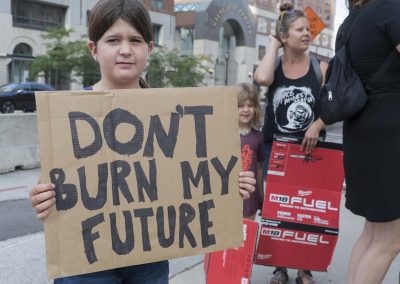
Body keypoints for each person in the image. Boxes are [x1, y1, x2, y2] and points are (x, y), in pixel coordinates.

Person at [28, 0, 256, 283]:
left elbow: (195, 176)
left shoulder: (177, 115)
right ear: (94, 49)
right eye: (113, 40)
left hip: (150, 259)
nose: (125, 50)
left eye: (135, 40)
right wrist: (42, 197)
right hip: (86, 262)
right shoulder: (68, 117)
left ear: (149, 48)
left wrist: (228, 185)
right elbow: (56, 179)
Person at [254, 3, 327, 284]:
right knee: (277, 209)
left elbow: (331, 107)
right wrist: (273, 42)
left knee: (307, 211)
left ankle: (304, 269)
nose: (307, 33)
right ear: (285, 37)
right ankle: (280, 267)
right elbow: (261, 79)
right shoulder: (272, 65)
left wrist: (317, 124)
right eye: (300, 30)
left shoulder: (321, 67)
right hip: (276, 149)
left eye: (308, 29)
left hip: (310, 151)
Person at [336, 1, 400, 283]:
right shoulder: (392, 9)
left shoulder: (352, 22)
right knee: (391, 239)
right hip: (389, 132)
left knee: (373, 232)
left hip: (361, 128)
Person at [237, 83, 265, 220]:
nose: (246, 109)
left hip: (250, 198)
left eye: (250, 105)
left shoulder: (258, 136)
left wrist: (261, 196)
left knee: (247, 237)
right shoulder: (223, 135)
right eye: (241, 105)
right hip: (228, 195)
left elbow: (259, 168)